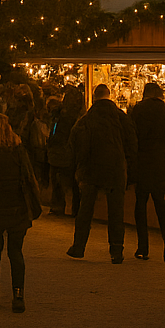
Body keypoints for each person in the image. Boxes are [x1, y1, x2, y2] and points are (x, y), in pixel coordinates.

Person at [0, 112, 41, 311]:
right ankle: (18, 295)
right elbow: (28, 176)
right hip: (16, 206)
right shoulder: (18, 149)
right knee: (16, 252)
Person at [67, 84, 137, 263]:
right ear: (109, 95)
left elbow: (75, 142)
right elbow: (132, 143)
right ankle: (116, 250)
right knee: (116, 212)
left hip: (91, 169)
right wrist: (127, 164)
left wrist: (79, 165)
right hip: (115, 169)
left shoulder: (86, 119)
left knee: (85, 210)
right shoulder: (120, 117)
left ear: (94, 97)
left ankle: (79, 246)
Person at [131, 80, 165, 262]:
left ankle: (143, 246)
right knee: (160, 202)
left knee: (141, 203)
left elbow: (132, 137)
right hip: (161, 163)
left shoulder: (138, 110)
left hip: (142, 162)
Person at [47, 85, 85, 216]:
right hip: (67, 153)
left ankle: (58, 206)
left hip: (57, 152)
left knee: (58, 182)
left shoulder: (58, 115)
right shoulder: (78, 118)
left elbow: (53, 133)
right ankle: (76, 209)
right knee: (74, 183)